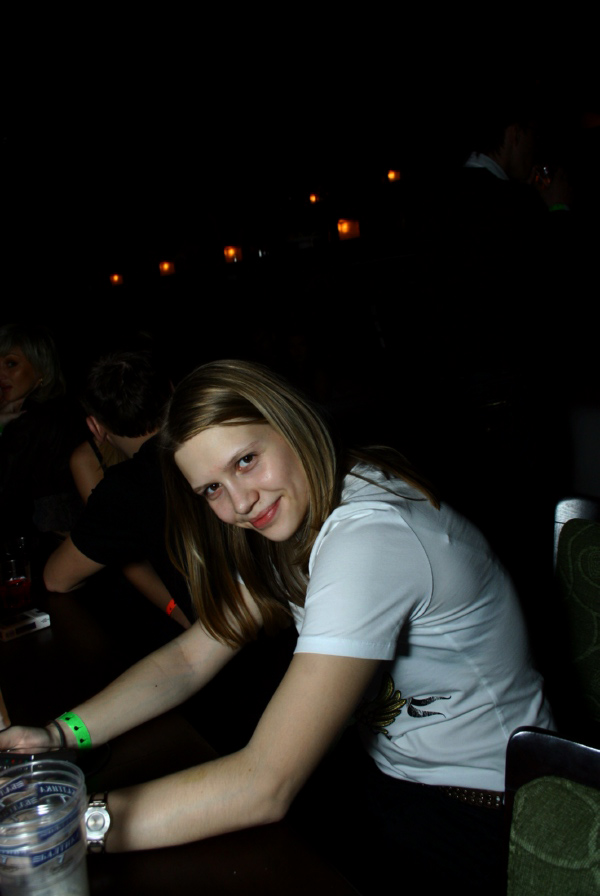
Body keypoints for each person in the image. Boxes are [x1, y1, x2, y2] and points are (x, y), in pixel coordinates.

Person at [2, 360, 552, 892]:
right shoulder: (294, 512)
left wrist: (62, 828)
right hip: (397, 778)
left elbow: (264, 784)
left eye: (245, 461)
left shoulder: (369, 538)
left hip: (490, 809)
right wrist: (57, 734)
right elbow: (191, 657)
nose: (240, 503)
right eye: (211, 489)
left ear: (290, 423)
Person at [43, 349, 192, 629]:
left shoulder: (124, 489)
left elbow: (56, 578)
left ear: (95, 426)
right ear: (173, 390)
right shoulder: (214, 444)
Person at [0, 323, 85, 548]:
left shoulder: (32, 421)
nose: (0, 373)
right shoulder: (58, 410)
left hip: (45, 548)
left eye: (11, 363)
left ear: (41, 369)